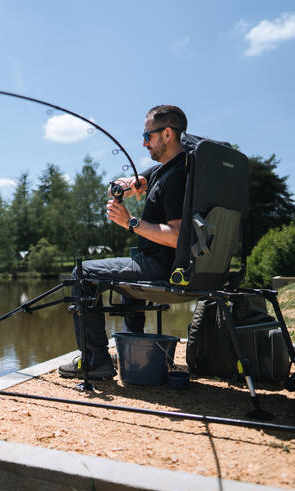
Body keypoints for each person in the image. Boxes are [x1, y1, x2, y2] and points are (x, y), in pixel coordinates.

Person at [59, 105, 188, 379]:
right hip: (160, 262)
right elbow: (115, 187)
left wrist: (130, 222)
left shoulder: (175, 178)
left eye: (148, 136)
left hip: (162, 266)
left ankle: (95, 361)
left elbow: (177, 236)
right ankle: (132, 349)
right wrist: (126, 185)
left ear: (167, 134)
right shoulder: (170, 169)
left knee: (82, 274)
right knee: (128, 262)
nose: (143, 143)